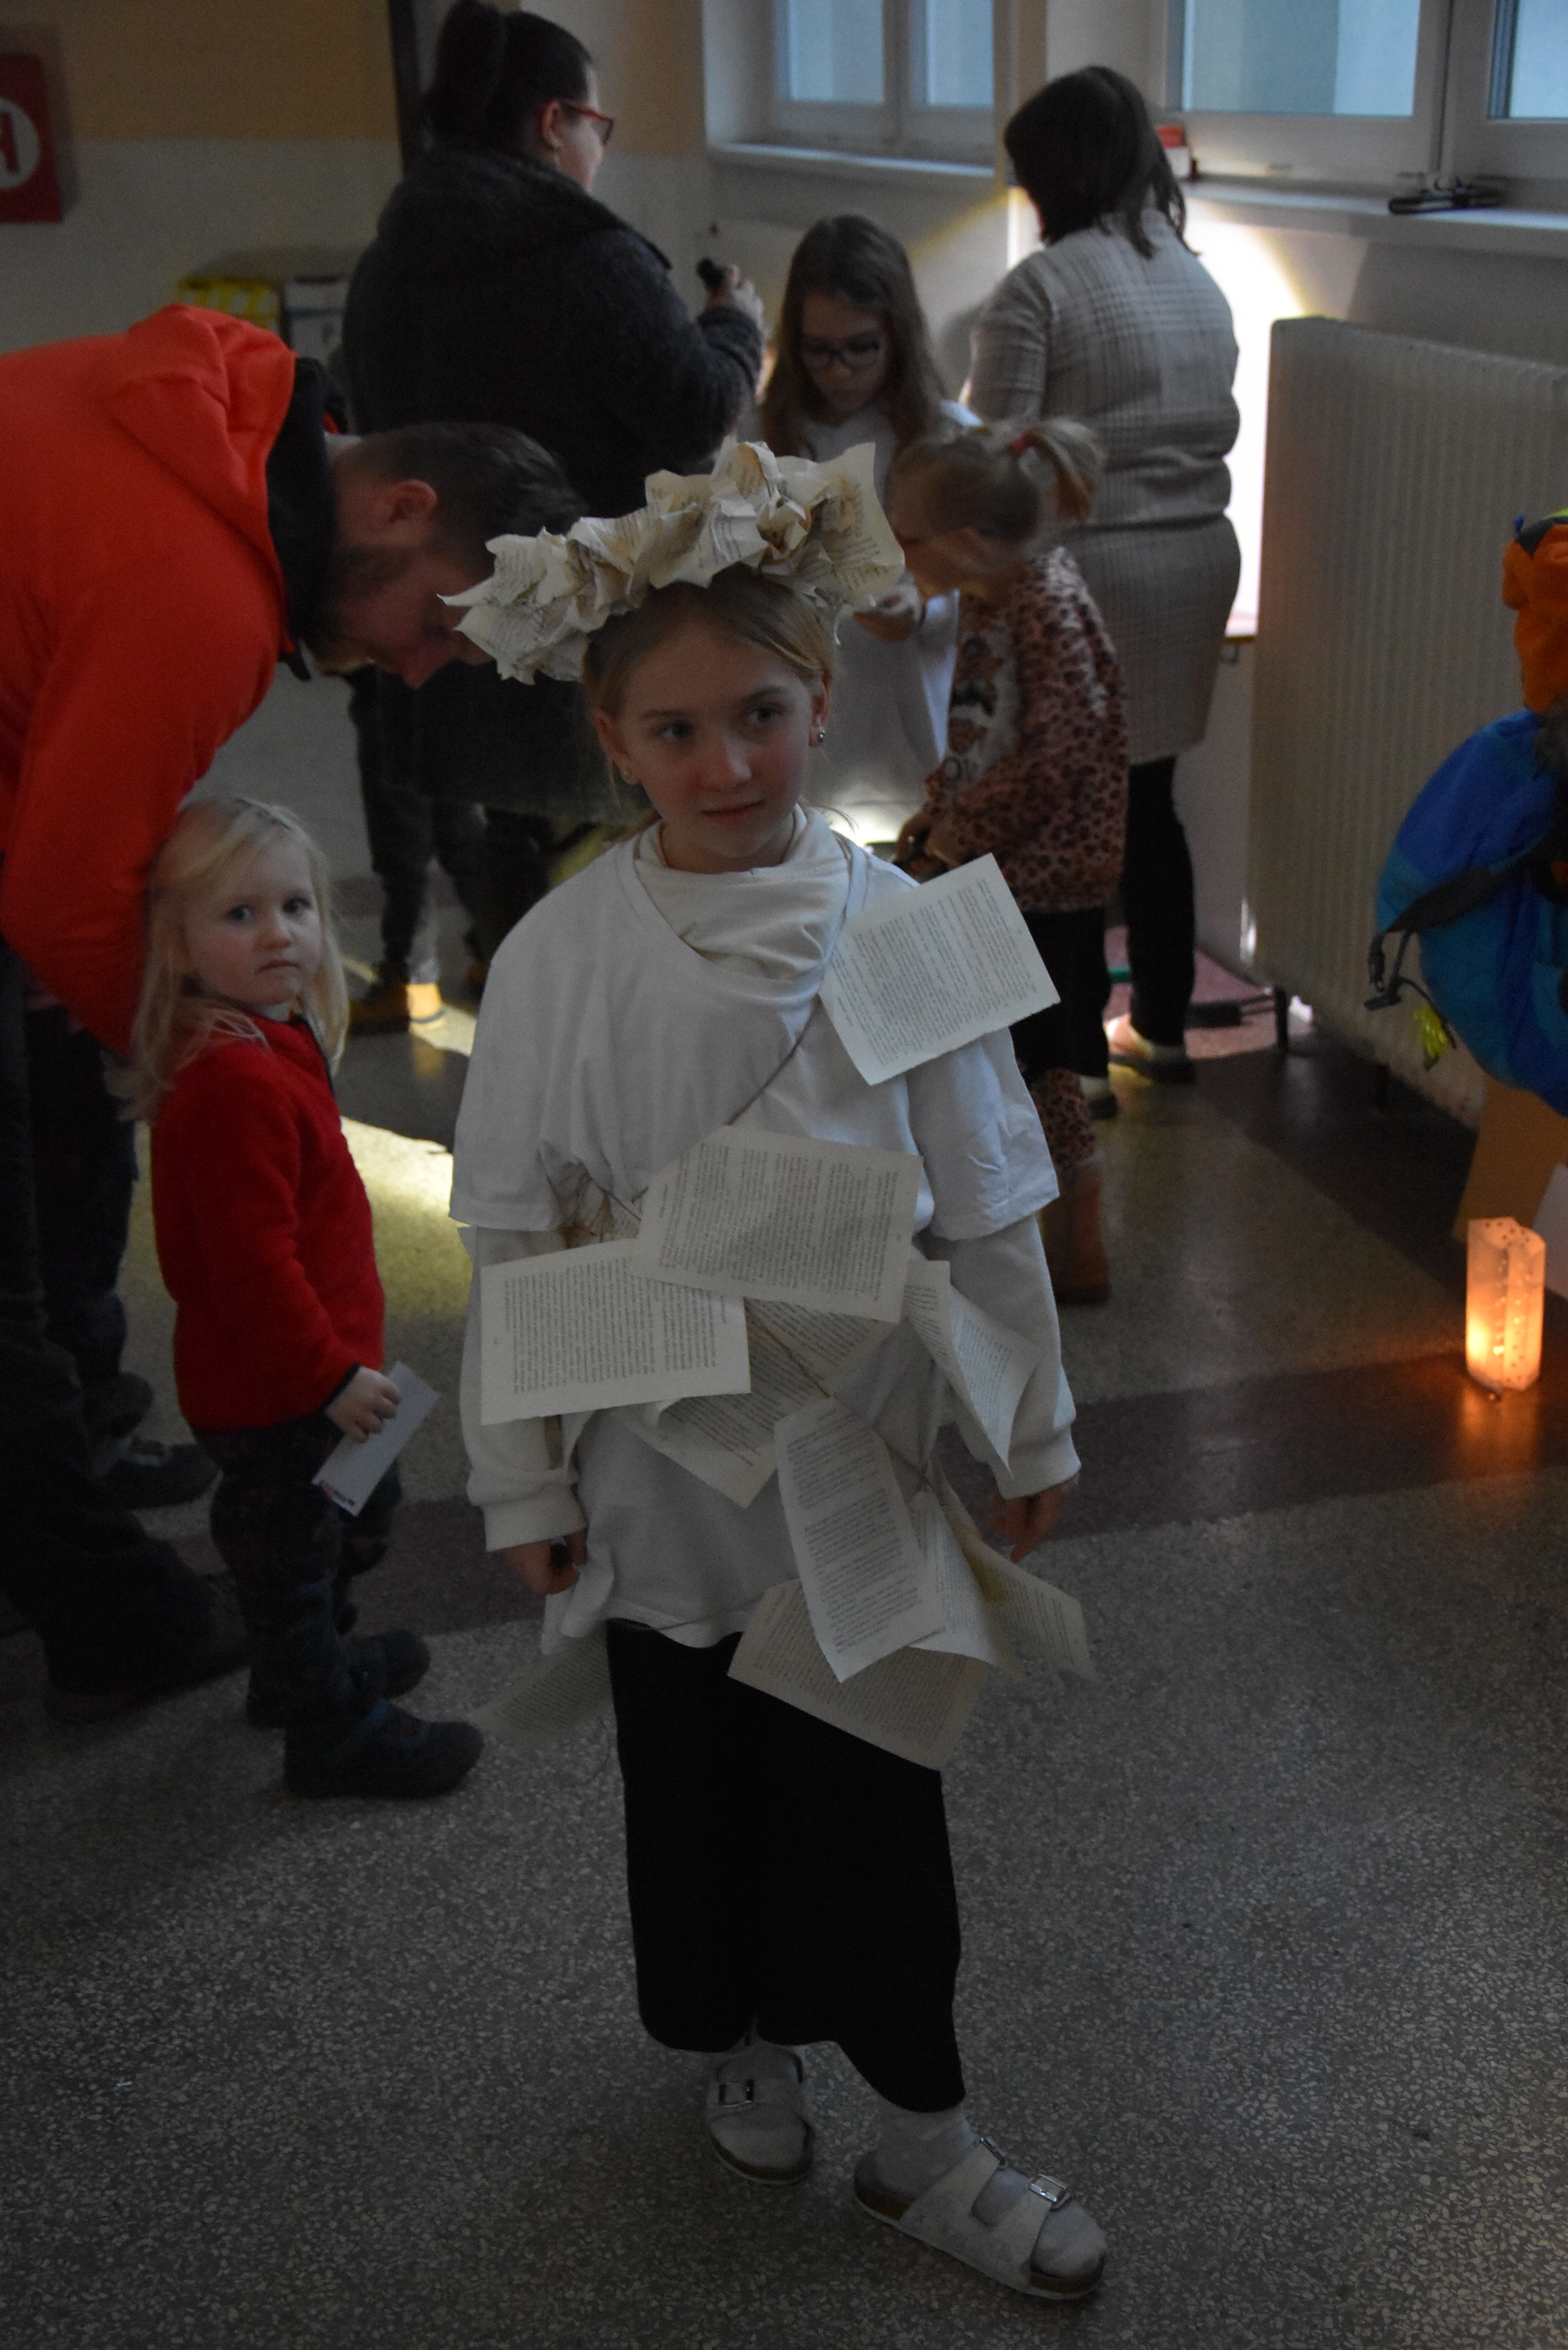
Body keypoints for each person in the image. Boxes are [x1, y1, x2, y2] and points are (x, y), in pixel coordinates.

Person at [449, 458, 1106, 2300]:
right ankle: (734, 2026)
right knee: (692, 1777)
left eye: (760, 713)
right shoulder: (560, 955)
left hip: (851, 1453)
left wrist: (1028, 1418)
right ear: (612, 739)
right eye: (676, 730)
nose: (727, 762)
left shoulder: (905, 918)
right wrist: (521, 1478)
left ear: (822, 696)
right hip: (655, 1462)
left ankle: (925, 2135)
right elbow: (511, 1228)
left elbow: (991, 1192)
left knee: (874, 1794)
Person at [0, 296, 571, 1719]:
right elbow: (65, 899)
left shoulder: (233, 406)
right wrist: (209, 1056)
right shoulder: (201, 591)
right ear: (402, 504)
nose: (419, 665)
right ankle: (114, 1620)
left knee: (54, 1149)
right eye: (437, 623)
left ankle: (88, 1449)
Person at [342, 0, 766, 1021]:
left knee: (514, 867)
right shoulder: (585, 253)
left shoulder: (390, 260)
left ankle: (526, 1046)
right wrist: (734, 329)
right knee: (625, 892)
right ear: (552, 123)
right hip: (591, 637)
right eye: (597, 127)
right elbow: (693, 415)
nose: (598, 152)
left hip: (451, 632)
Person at [129, 797, 483, 1799]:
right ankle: (329, 1727)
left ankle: (308, 1669)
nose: (279, 933)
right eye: (239, 914)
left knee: (354, 1516)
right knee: (293, 1557)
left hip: (313, 1373)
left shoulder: (270, 1040)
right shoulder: (235, 1082)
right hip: (282, 1390)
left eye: (296, 906)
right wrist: (328, 1377)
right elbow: (252, 1270)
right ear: (178, 945)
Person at [969, 66, 1241, 1092]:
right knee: (1150, 800)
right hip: (1198, 562)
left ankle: (1076, 1055)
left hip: (1087, 571)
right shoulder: (1199, 280)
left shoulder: (1039, 288)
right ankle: (1162, 1029)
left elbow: (994, 461)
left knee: (1066, 822)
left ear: (1051, 172)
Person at [888, 421, 1128, 1304]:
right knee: (1024, 1048)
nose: (897, 555)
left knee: (1038, 1051)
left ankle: (1075, 1220)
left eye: (907, 537)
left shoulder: (1044, 603)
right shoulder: (993, 596)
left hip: (1044, 874)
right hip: (1005, 861)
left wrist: (960, 833)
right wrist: (937, 817)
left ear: (968, 538)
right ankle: (1048, 1212)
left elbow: (1060, 753)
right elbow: (982, 736)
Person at [752, 214, 971, 844]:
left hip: (914, 721)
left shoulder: (947, 435)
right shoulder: (762, 438)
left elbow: (992, 581)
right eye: (819, 351)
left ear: (897, 336)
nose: (840, 370)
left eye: (860, 348)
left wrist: (925, 607)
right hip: (807, 731)